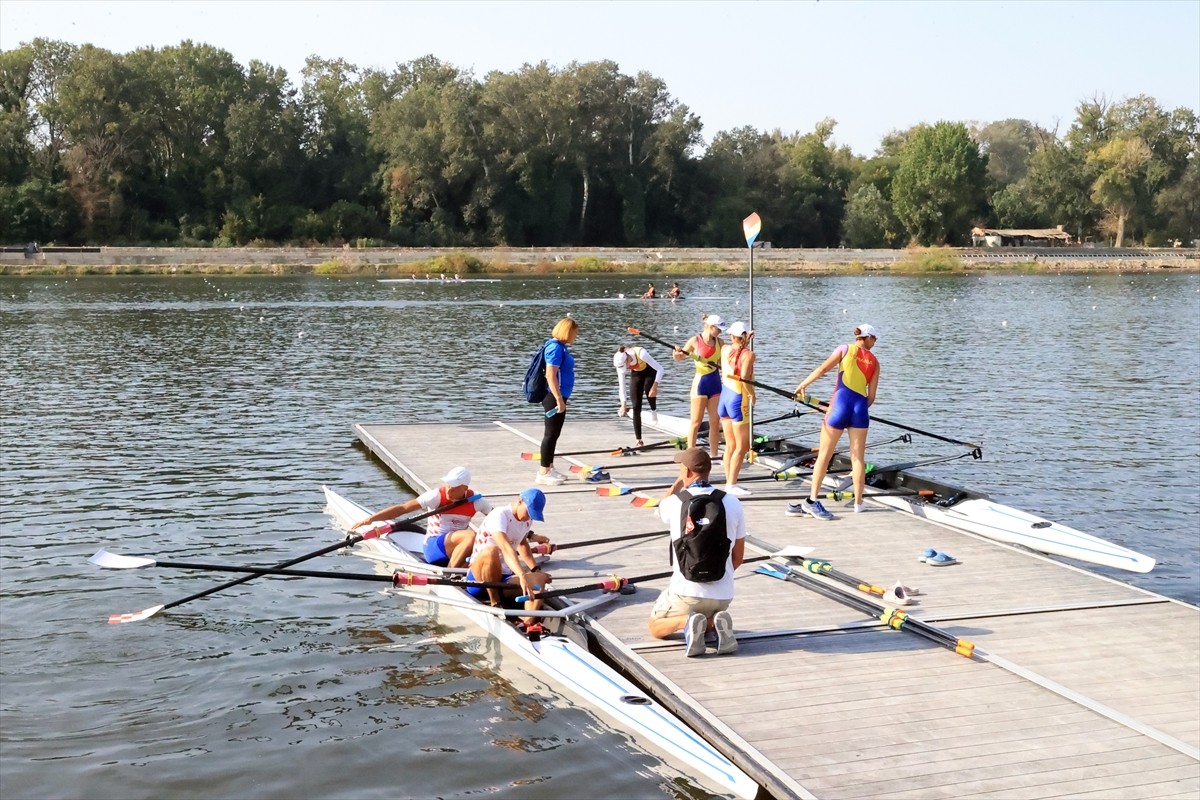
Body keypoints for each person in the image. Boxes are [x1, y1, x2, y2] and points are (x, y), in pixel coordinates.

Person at [648, 448, 746, 657]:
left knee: (655, 626)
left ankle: (687, 621)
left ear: (687, 471)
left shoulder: (673, 503)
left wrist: (677, 484)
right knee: (705, 616)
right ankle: (713, 622)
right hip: (723, 594)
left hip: (686, 592)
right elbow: (738, 557)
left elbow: (658, 508)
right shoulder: (732, 502)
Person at [790, 324, 881, 519]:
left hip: (839, 407)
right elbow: (871, 397)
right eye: (875, 339)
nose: (875, 343)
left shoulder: (844, 349)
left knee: (824, 455)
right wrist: (857, 409)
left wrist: (802, 385)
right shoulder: (875, 362)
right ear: (869, 338)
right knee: (858, 458)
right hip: (860, 410)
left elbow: (823, 369)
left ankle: (812, 500)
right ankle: (858, 503)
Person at [352, 466, 492, 568]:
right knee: (470, 536)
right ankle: (450, 573)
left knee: (486, 549)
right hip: (434, 547)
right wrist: (371, 519)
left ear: (464, 488)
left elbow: (497, 520)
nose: (449, 489)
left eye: (454, 487)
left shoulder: (477, 501)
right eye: (448, 484)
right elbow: (403, 508)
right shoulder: (436, 496)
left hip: (457, 548)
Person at [466, 488, 553, 627]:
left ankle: (526, 624)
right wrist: (522, 574)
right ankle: (495, 603)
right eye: (528, 512)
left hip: (504, 578)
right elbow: (506, 548)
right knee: (492, 551)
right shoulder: (499, 515)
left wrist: (535, 570)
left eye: (532, 515)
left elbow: (522, 544)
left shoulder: (526, 521)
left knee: (538, 581)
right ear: (519, 501)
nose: (529, 517)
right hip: (478, 579)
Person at [674, 314, 725, 460]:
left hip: (715, 384)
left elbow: (724, 363)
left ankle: (714, 455)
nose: (720, 332)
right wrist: (676, 353)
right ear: (710, 327)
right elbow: (680, 357)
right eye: (718, 329)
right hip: (700, 385)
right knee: (696, 422)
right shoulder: (695, 341)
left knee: (715, 422)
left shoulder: (720, 343)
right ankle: (690, 456)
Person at [536, 317, 578, 486]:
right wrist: (559, 399)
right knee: (550, 434)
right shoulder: (554, 348)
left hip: (560, 395)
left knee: (555, 434)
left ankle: (550, 467)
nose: (576, 336)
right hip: (553, 396)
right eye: (575, 333)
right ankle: (543, 471)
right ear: (567, 331)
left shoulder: (561, 347)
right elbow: (550, 375)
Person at [716, 321, 755, 496]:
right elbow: (745, 377)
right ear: (745, 336)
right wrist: (753, 394)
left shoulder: (724, 350)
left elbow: (734, 355)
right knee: (743, 446)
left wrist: (746, 340)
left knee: (730, 445)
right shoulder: (749, 354)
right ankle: (732, 484)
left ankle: (729, 482)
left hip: (724, 398)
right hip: (738, 401)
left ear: (732, 336)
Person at [616, 344, 665, 447]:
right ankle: (639, 440)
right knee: (636, 406)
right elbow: (622, 386)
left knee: (649, 389)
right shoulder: (619, 362)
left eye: (627, 365)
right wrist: (623, 404)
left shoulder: (641, 354)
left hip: (650, 371)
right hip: (637, 374)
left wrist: (655, 386)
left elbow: (660, 369)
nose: (627, 368)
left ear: (628, 358)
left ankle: (653, 410)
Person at [613, 347, 631, 418]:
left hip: (620, 367)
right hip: (624, 364)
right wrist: (623, 405)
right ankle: (624, 406)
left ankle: (624, 406)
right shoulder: (621, 358)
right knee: (623, 385)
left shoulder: (618, 355)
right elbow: (622, 386)